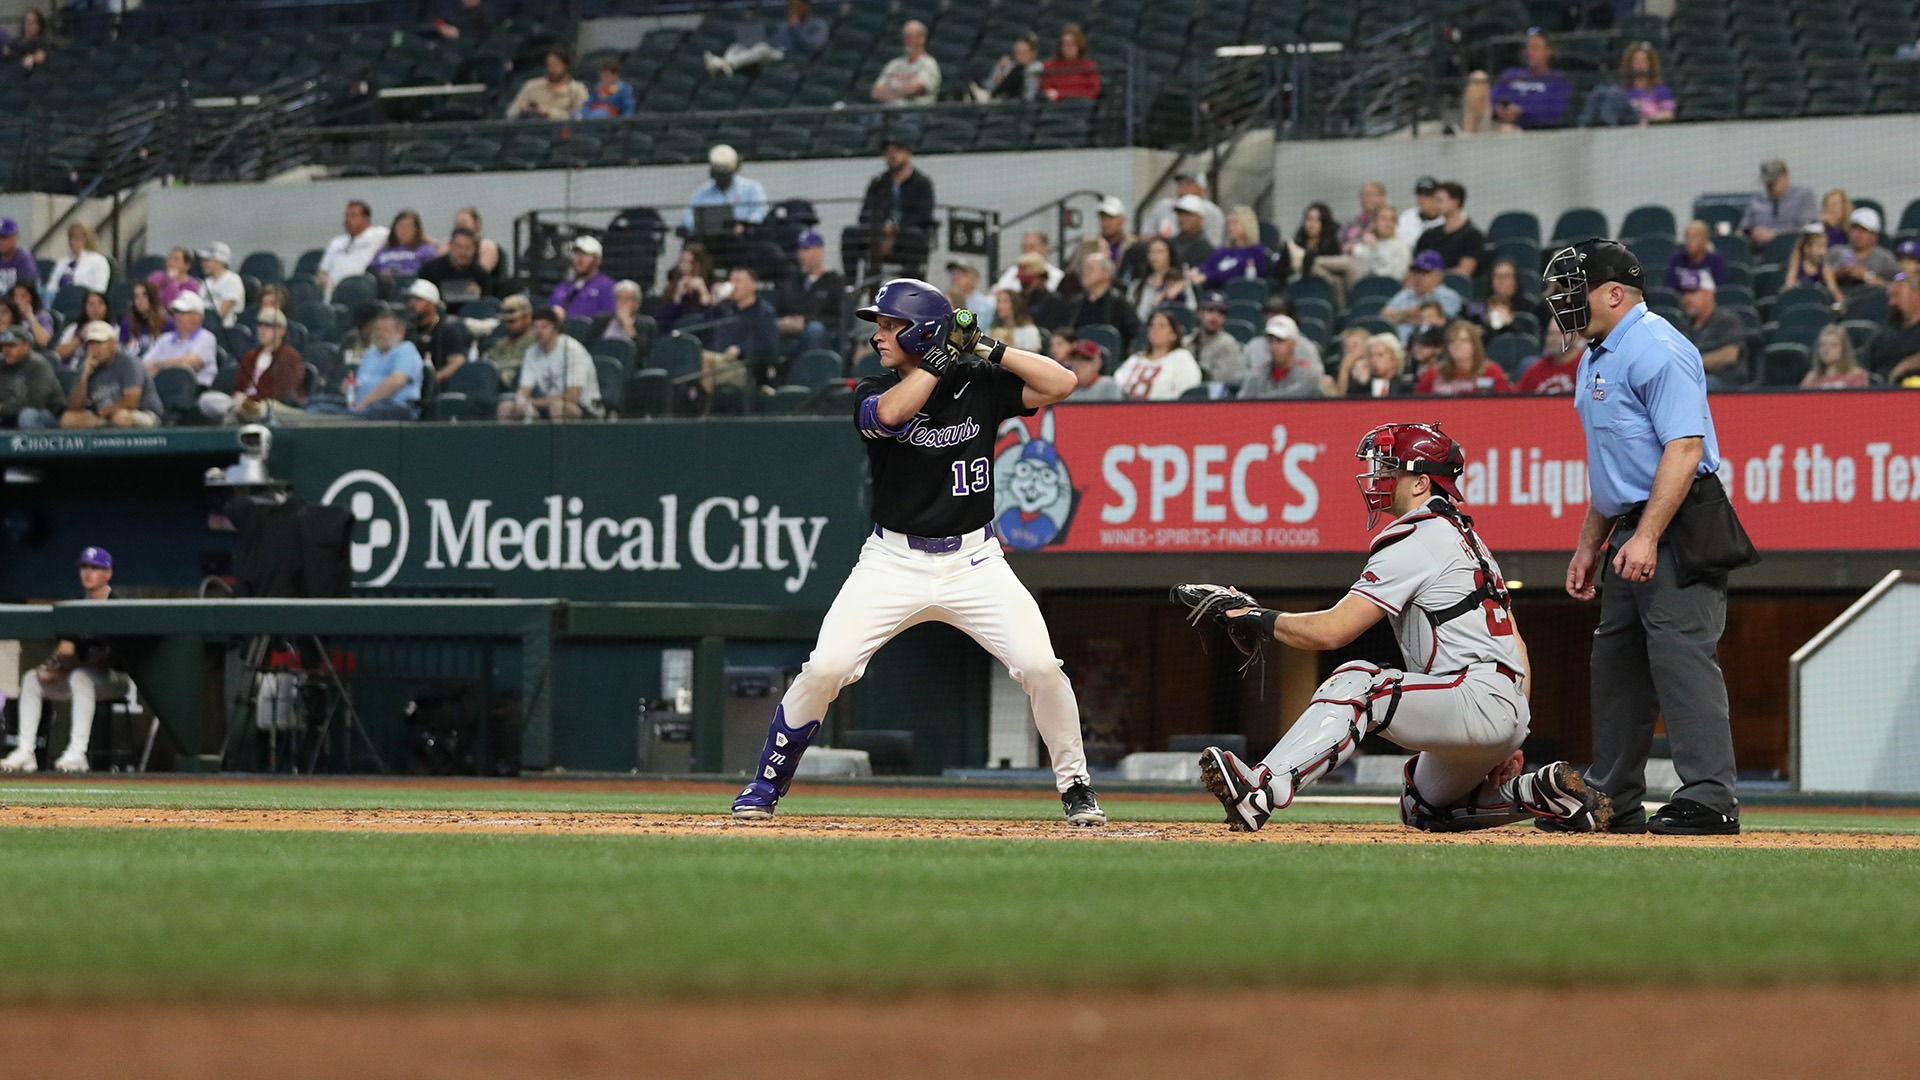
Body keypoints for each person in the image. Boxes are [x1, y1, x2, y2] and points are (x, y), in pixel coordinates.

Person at [730, 278, 1102, 826]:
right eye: (878, 324)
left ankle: (1076, 786)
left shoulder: (978, 382)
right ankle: (766, 783)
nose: (877, 335)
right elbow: (889, 416)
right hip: (892, 561)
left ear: (922, 329)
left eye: (888, 324)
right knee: (827, 666)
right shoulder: (873, 385)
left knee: (1041, 666)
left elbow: (1063, 382)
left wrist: (983, 349)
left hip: (975, 562)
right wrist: (934, 358)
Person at [1193, 424, 1608, 835]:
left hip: (1473, 696)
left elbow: (1333, 631)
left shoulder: (1419, 538)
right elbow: (1516, 644)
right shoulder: (1468, 540)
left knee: (1357, 682)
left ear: (1422, 483)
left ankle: (1262, 789)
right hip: (1499, 703)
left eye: (1391, 468)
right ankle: (1541, 794)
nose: (1378, 477)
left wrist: (1255, 616)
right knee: (1420, 808)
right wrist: (1514, 732)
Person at [1548, 238, 1743, 835]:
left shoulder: (1658, 347)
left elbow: (1684, 449)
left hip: (1679, 520)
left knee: (1681, 656)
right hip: (1632, 524)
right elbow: (1614, 463)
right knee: (1617, 664)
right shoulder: (1595, 355)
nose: (1565, 304)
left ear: (1613, 293)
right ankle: (1612, 799)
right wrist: (1590, 542)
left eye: (1575, 292)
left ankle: (1711, 798)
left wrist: (1649, 535)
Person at [0, 548, 139, 775]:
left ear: (108, 573)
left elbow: (112, 656)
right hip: (81, 677)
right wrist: (53, 667)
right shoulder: (77, 606)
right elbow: (65, 649)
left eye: (95, 568)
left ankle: (78, 753)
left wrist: (70, 667)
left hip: (117, 679)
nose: (88, 573)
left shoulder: (116, 604)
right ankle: (25, 752)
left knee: (80, 676)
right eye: (84, 567)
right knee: (32, 679)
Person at [842, 137, 936, 281]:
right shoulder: (878, 183)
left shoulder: (922, 183)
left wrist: (896, 230)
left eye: (897, 151)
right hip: (878, 232)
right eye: (888, 152)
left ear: (908, 154)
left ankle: (910, 288)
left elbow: (923, 215)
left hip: (906, 235)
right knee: (850, 233)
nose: (891, 156)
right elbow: (864, 214)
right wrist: (882, 228)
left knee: (916, 236)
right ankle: (850, 285)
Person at [307, 307, 423, 421]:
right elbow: (362, 381)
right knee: (314, 403)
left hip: (393, 407)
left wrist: (365, 402)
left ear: (400, 333)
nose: (379, 334)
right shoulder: (372, 353)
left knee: (324, 414)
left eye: (385, 330)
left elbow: (396, 381)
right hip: (361, 406)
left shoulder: (406, 350)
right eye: (377, 329)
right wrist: (350, 387)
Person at [199, 307, 304, 422]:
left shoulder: (290, 356)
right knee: (207, 400)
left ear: (281, 330)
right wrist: (239, 397)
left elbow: (282, 391)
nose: (262, 329)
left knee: (263, 409)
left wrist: (250, 400)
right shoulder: (251, 356)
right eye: (260, 325)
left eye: (268, 326)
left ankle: (237, 412)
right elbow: (239, 386)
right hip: (244, 403)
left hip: (267, 405)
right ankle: (237, 410)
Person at [498, 307, 601, 421]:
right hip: (546, 406)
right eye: (535, 327)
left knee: (558, 408)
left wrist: (533, 403)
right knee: (506, 408)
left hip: (585, 408)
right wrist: (521, 403)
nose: (539, 331)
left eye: (544, 327)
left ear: (556, 329)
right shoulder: (532, 352)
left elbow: (572, 396)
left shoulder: (573, 350)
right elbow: (523, 391)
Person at [1468, 29, 1573, 133]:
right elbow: (1493, 97)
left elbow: (1553, 112)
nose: (1530, 52)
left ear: (1549, 51)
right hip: (1496, 122)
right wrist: (1499, 110)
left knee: (1506, 130)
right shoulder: (1511, 73)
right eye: (1528, 48)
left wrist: (1522, 111)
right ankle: (1467, 135)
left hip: (1529, 131)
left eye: (1535, 48)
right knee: (1478, 77)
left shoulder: (1558, 80)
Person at [64, 320, 160, 429]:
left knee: (121, 417)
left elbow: (131, 402)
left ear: (112, 343)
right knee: (68, 419)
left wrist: (101, 413)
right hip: (107, 416)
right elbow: (75, 407)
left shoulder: (129, 363)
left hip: (143, 414)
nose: (95, 349)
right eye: (91, 344)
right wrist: (84, 377)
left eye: (99, 343)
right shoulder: (87, 365)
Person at [1039, 251, 1138, 353]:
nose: (1085, 273)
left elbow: (1134, 333)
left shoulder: (1119, 304)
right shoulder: (1075, 303)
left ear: (1106, 274)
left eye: (1091, 269)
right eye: (1084, 269)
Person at [703, 266, 780, 390]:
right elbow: (706, 330)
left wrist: (740, 350)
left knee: (705, 362)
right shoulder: (725, 309)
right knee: (696, 358)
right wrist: (714, 302)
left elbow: (768, 346)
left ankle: (704, 408)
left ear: (753, 285)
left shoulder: (764, 312)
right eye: (731, 281)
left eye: (738, 281)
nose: (733, 286)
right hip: (718, 361)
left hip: (745, 368)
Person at [706, 0, 829, 77]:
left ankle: (728, 64)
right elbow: (774, 42)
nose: (793, 9)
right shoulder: (785, 25)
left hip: (791, 56)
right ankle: (724, 62)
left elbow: (813, 47)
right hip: (773, 52)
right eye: (791, 6)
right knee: (743, 43)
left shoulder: (818, 25)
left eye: (796, 5)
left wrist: (796, 27)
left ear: (805, 6)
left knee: (761, 48)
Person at [1673, 268, 1747, 389]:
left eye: (1693, 293)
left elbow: (1729, 355)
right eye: (1684, 294)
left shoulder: (1726, 321)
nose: (1686, 299)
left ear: (1709, 294)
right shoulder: (1684, 326)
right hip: (1690, 380)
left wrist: (1692, 364)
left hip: (1723, 386)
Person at [775, 231, 842, 355]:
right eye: (800, 250)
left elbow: (839, 318)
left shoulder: (834, 282)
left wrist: (805, 321)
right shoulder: (792, 281)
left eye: (806, 249)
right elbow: (778, 309)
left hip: (823, 337)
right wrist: (783, 322)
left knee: (814, 330)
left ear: (820, 251)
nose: (801, 255)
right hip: (788, 335)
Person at [680, 144, 770, 235]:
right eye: (718, 175)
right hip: (709, 240)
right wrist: (699, 228)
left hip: (744, 239)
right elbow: (687, 217)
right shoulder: (702, 191)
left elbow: (760, 212)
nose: (721, 179)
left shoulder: (752, 188)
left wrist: (745, 226)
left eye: (725, 175)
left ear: (735, 170)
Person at [1579, 41, 1674, 126]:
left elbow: (1668, 114)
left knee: (1614, 93)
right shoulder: (1625, 88)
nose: (1640, 65)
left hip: (1639, 121)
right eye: (1636, 62)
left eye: (1643, 62)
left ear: (1650, 64)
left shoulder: (1660, 89)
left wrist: (1647, 119)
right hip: (1623, 120)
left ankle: (1605, 124)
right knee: (1600, 91)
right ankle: (1584, 125)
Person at [1113, 310, 1201, 400]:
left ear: (1173, 334)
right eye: (1152, 325)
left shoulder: (1181, 358)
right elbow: (1117, 385)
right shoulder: (1135, 359)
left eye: (1161, 326)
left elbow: (1187, 390)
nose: (1155, 329)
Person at [142, 292, 219, 388]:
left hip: (196, 390)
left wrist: (158, 365)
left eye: (183, 312)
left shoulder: (206, 338)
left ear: (197, 317)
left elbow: (192, 363)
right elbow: (144, 365)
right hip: (166, 389)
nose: (177, 316)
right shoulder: (165, 339)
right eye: (176, 312)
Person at [1382, 251, 1463, 341]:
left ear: (1439, 275)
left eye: (1425, 272)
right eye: (1416, 271)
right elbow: (1384, 316)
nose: (1418, 277)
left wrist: (1400, 317)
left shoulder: (1448, 296)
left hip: (1430, 345)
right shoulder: (1405, 294)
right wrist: (1408, 312)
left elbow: (1438, 323)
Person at [1416, 320, 1512, 395]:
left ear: (1474, 345)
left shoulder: (1491, 372)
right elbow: (1416, 406)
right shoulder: (1433, 374)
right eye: (1452, 341)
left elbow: (1506, 405)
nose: (1457, 345)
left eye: (1463, 340)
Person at [316, 200, 389, 299]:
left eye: (353, 216)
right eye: (346, 215)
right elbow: (322, 271)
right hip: (334, 293)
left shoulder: (379, 235)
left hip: (362, 292)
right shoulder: (337, 242)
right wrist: (325, 283)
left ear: (366, 218)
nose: (348, 219)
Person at [1738, 158, 1816, 251]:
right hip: (1760, 253)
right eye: (1767, 182)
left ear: (1786, 177)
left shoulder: (1803, 196)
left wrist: (1775, 235)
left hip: (1792, 252)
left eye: (1773, 181)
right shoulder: (1757, 200)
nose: (1769, 185)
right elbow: (1742, 231)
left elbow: (1810, 231)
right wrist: (1752, 234)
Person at [1237, 315, 1321, 399]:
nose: (1274, 346)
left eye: (1280, 341)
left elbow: (1292, 397)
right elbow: (1241, 402)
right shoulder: (1258, 374)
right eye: (1270, 341)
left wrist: (1258, 399)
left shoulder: (1309, 373)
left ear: (1293, 343)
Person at [407, 279, 471, 383]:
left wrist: (433, 379)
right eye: (411, 299)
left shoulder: (446, 330)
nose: (412, 304)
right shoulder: (407, 329)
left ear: (432, 304)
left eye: (418, 299)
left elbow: (457, 361)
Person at [417, 227, 499, 308]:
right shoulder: (430, 270)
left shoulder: (481, 275)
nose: (462, 252)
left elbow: (488, 305)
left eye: (467, 248)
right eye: (458, 247)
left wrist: (479, 297)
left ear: (474, 250)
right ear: (451, 246)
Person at [1414, 181, 1484, 275]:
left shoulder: (1472, 235)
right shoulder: (1429, 235)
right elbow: (1416, 267)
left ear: (1455, 202)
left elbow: (1464, 271)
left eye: (1439, 200)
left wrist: (1432, 276)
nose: (1435, 204)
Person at [1193, 206, 1272, 289]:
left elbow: (1236, 272)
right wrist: (1197, 272)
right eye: (1229, 223)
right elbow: (1207, 266)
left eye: (1235, 223)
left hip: (1239, 292)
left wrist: (1207, 277)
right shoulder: (1223, 250)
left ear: (1247, 224)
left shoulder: (1256, 251)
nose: (1230, 227)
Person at [1067, 195, 1141, 283]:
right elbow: (1072, 274)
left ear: (1122, 219)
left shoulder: (1134, 245)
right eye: (1102, 218)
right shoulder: (1087, 245)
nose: (1105, 223)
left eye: (1110, 218)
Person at [1141, 173, 1225, 248]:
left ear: (1201, 189)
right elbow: (1145, 236)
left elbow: (1214, 244)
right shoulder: (1164, 206)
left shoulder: (1212, 211)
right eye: (1180, 184)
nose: (1182, 189)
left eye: (1187, 185)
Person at [0, 325, 60, 427]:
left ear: (26, 346)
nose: (6, 350)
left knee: (27, 415)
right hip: (11, 414)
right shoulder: (2, 366)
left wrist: (3, 408)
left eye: (12, 346)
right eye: (4, 346)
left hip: (48, 415)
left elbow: (36, 402)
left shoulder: (39, 366)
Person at [870, 20, 941, 106]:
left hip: (916, 114)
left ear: (922, 39)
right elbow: (876, 93)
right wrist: (902, 92)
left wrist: (889, 92)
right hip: (889, 113)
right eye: (905, 37)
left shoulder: (929, 64)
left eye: (911, 37)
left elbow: (914, 90)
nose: (907, 41)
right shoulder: (894, 64)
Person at [1826, 207, 1897, 292]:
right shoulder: (1835, 253)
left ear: (1873, 235)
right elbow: (1817, 280)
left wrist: (1866, 276)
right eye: (1854, 229)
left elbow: (1897, 283)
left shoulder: (1886, 259)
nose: (1858, 234)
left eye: (1863, 230)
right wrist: (1838, 274)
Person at [547, 236, 617, 321]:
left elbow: (609, 320)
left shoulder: (607, 286)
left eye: (585, 254)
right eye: (576, 253)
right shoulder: (562, 288)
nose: (579, 259)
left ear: (597, 260)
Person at [1469, 258, 1542, 338]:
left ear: (1515, 280)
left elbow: (1531, 340)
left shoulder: (1530, 307)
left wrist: (1511, 322)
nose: (1501, 281)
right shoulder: (1480, 306)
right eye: (1497, 276)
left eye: (1506, 276)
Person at [1867, 272, 1920, 382]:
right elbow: (1865, 370)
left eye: (1896, 295)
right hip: (1881, 393)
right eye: (1889, 297)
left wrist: (1908, 365)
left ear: (1917, 295)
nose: (1891, 302)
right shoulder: (1881, 335)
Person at [506, 49, 588, 120]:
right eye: (550, 65)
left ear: (565, 65)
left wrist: (548, 112)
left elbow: (579, 118)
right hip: (530, 131)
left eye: (556, 65)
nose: (552, 69)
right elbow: (511, 113)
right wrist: (522, 110)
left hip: (561, 133)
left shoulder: (578, 89)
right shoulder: (531, 86)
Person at [1130, 237, 1194, 324]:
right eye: (1151, 252)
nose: (1154, 256)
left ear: (1170, 255)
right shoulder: (1137, 285)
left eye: (1160, 251)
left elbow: (1191, 310)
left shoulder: (1181, 283)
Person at [1515, 317, 1584, 394]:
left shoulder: (1587, 367)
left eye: (1560, 333)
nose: (1553, 339)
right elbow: (1515, 401)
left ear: (1578, 336)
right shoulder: (1535, 371)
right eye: (1551, 333)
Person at [656, 245, 714, 332]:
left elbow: (712, 322)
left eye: (690, 262)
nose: (684, 267)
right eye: (682, 261)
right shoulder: (672, 287)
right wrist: (677, 297)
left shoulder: (711, 287)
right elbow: (662, 323)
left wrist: (703, 292)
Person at [368, 209, 437, 282]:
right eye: (400, 226)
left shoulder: (426, 250)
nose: (404, 230)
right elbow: (371, 272)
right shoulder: (382, 251)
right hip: (384, 286)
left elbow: (431, 272)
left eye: (408, 227)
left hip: (412, 285)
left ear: (416, 229)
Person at [1784, 223, 1844, 308]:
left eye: (1825, 246)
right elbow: (1789, 287)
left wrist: (1841, 304)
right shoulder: (1796, 266)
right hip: (1799, 305)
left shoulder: (1825, 268)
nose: (1823, 252)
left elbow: (1834, 290)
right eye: (1819, 247)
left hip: (1818, 306)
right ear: (1806, 248)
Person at [1278, 202, 1339, 285]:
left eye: (1317, 220)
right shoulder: (1293, 246)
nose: (1311, 224)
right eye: (1309, 219)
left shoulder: (1331, 245)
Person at [483, 294, 537, 386]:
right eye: (506, 321)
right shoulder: (502, 343)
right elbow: (487, 362)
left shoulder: (537, 341)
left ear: (527, 318)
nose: (508, 326)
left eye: (513, 321)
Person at [1335, 331, 1412, 397]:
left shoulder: (1406, 389)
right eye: (1371, 356)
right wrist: (1362, 384)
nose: (1374, 360)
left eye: (1380, 355)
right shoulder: (1358, 389)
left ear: (1394, 359)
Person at [1189, 291, 1242, 383]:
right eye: (1210, 310)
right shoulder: (1187, 342)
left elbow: (1219, 381)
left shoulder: (1228, 344)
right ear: (1200, 313)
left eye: (1221, 313)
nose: (1215, 317)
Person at [1039, 23, 1100, 101]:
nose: (1068, 48)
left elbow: (1093, 92)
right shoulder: (1049, 66)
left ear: (1079, 46)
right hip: (1057, 106)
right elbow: (1048, 91)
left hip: (1081, 107)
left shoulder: (1090, 66)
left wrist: (1061, 94)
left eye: (1072, 44)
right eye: (1065, 44)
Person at [1664, 219, 1729, 291]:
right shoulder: (1677, 259)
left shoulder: (1716, 260)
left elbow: (1720, 289)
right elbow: (1670, 288)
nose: (1689, 241)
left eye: (1694, 237)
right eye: (1687, 237)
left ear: (1705, 240)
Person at [990, 232, 1065, 295]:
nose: (1027, 251)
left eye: (1031, 247)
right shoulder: (1012, 271)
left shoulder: (1057, 276)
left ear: (1045, 249)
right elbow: (997, 293)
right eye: (1024, 247)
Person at [53, 290, 111, 367]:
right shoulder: (74, 328)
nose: (96, 309)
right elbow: (57, 354)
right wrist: (79, 339)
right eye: (91, 304)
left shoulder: (114, 329)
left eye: (100, 303)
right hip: (74, 370)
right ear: (85, 308)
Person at [978, 33, 1043, 102]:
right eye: (1017, 52)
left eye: (1023, 52)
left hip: (1012, 102)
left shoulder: (1036, 68)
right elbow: (989, 85)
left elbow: (1028, 96)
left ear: (1033, 53)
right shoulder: (1008, 64)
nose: (1018, 56)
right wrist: (1000, 70)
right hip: (991, 96)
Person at [1801, 324, 1868, 389]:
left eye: (1833, 345)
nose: (1826, 349)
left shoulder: (1857, 376)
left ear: (1843, 349)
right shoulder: (1811, 379)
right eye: (1822, 344)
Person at [197, 242, 247, 329]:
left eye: (207, 260)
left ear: (220, 261)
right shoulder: (206, 282)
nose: (203, 264)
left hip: (223, 329)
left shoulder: (232, 280)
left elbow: (221, 313)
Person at [50, 222, 110, 293]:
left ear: (87, 240)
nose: (72, 242)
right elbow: (51, 287)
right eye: (71, 239)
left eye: (77, 239)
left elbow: (99, 290)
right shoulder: (63, 262)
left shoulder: (99, 261)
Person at [1166, 195, 1217, 270]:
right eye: (1180, 214)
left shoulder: (1203, 247)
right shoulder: (1171, 243)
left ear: (1200, 218)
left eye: (1188, 215)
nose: (1182, 219)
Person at [120, 280, 167, 359]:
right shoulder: (126, 324)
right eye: (136, 296)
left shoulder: (167, 324)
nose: (140, 300)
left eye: (144, 295)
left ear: (152, 298)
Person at [146, 247, 202, 312]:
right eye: (169, 258)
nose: (171, 262)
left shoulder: (192, 285)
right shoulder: (156, 277)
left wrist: (172, 281)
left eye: (176, 259)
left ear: (186, 266)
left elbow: (175, 305)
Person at [1396, 177, 1443, 252]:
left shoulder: (1445, 219)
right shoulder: (1407, 217)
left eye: (1427, 195)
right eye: (1420, 194)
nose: (1422, 199)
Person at [991, 288, 1042, 352]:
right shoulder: (995, 329)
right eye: (998, 301)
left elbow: (1033, 354)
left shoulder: (1028, 330)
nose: (999, 305)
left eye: (1005, 301)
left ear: (1015, 303)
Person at [944, 260, 994, 324]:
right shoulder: (945, 302)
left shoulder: (986, 305)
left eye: (961, 274)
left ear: (974, 279)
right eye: (954, 273)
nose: (955, 277)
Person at [603, 280, 651, 345]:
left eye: (626, 299)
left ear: (637, 303)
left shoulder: (645, 324)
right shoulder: (601, 320)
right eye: (618, 298)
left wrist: (627, 323)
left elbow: (642, 350)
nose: (621, 302)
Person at [8, 281, 50, 348]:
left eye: (23, 296)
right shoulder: (8, 314)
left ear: (32, 297)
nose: (17, 300)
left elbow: (43, 342)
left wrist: (30, 316)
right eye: (15, 296)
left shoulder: (42, 316)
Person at [0, 216, 36, 293]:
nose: (1, 241)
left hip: (16, 303)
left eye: (5, 237)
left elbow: (24, 293)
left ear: (16, 236)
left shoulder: (23, 258)